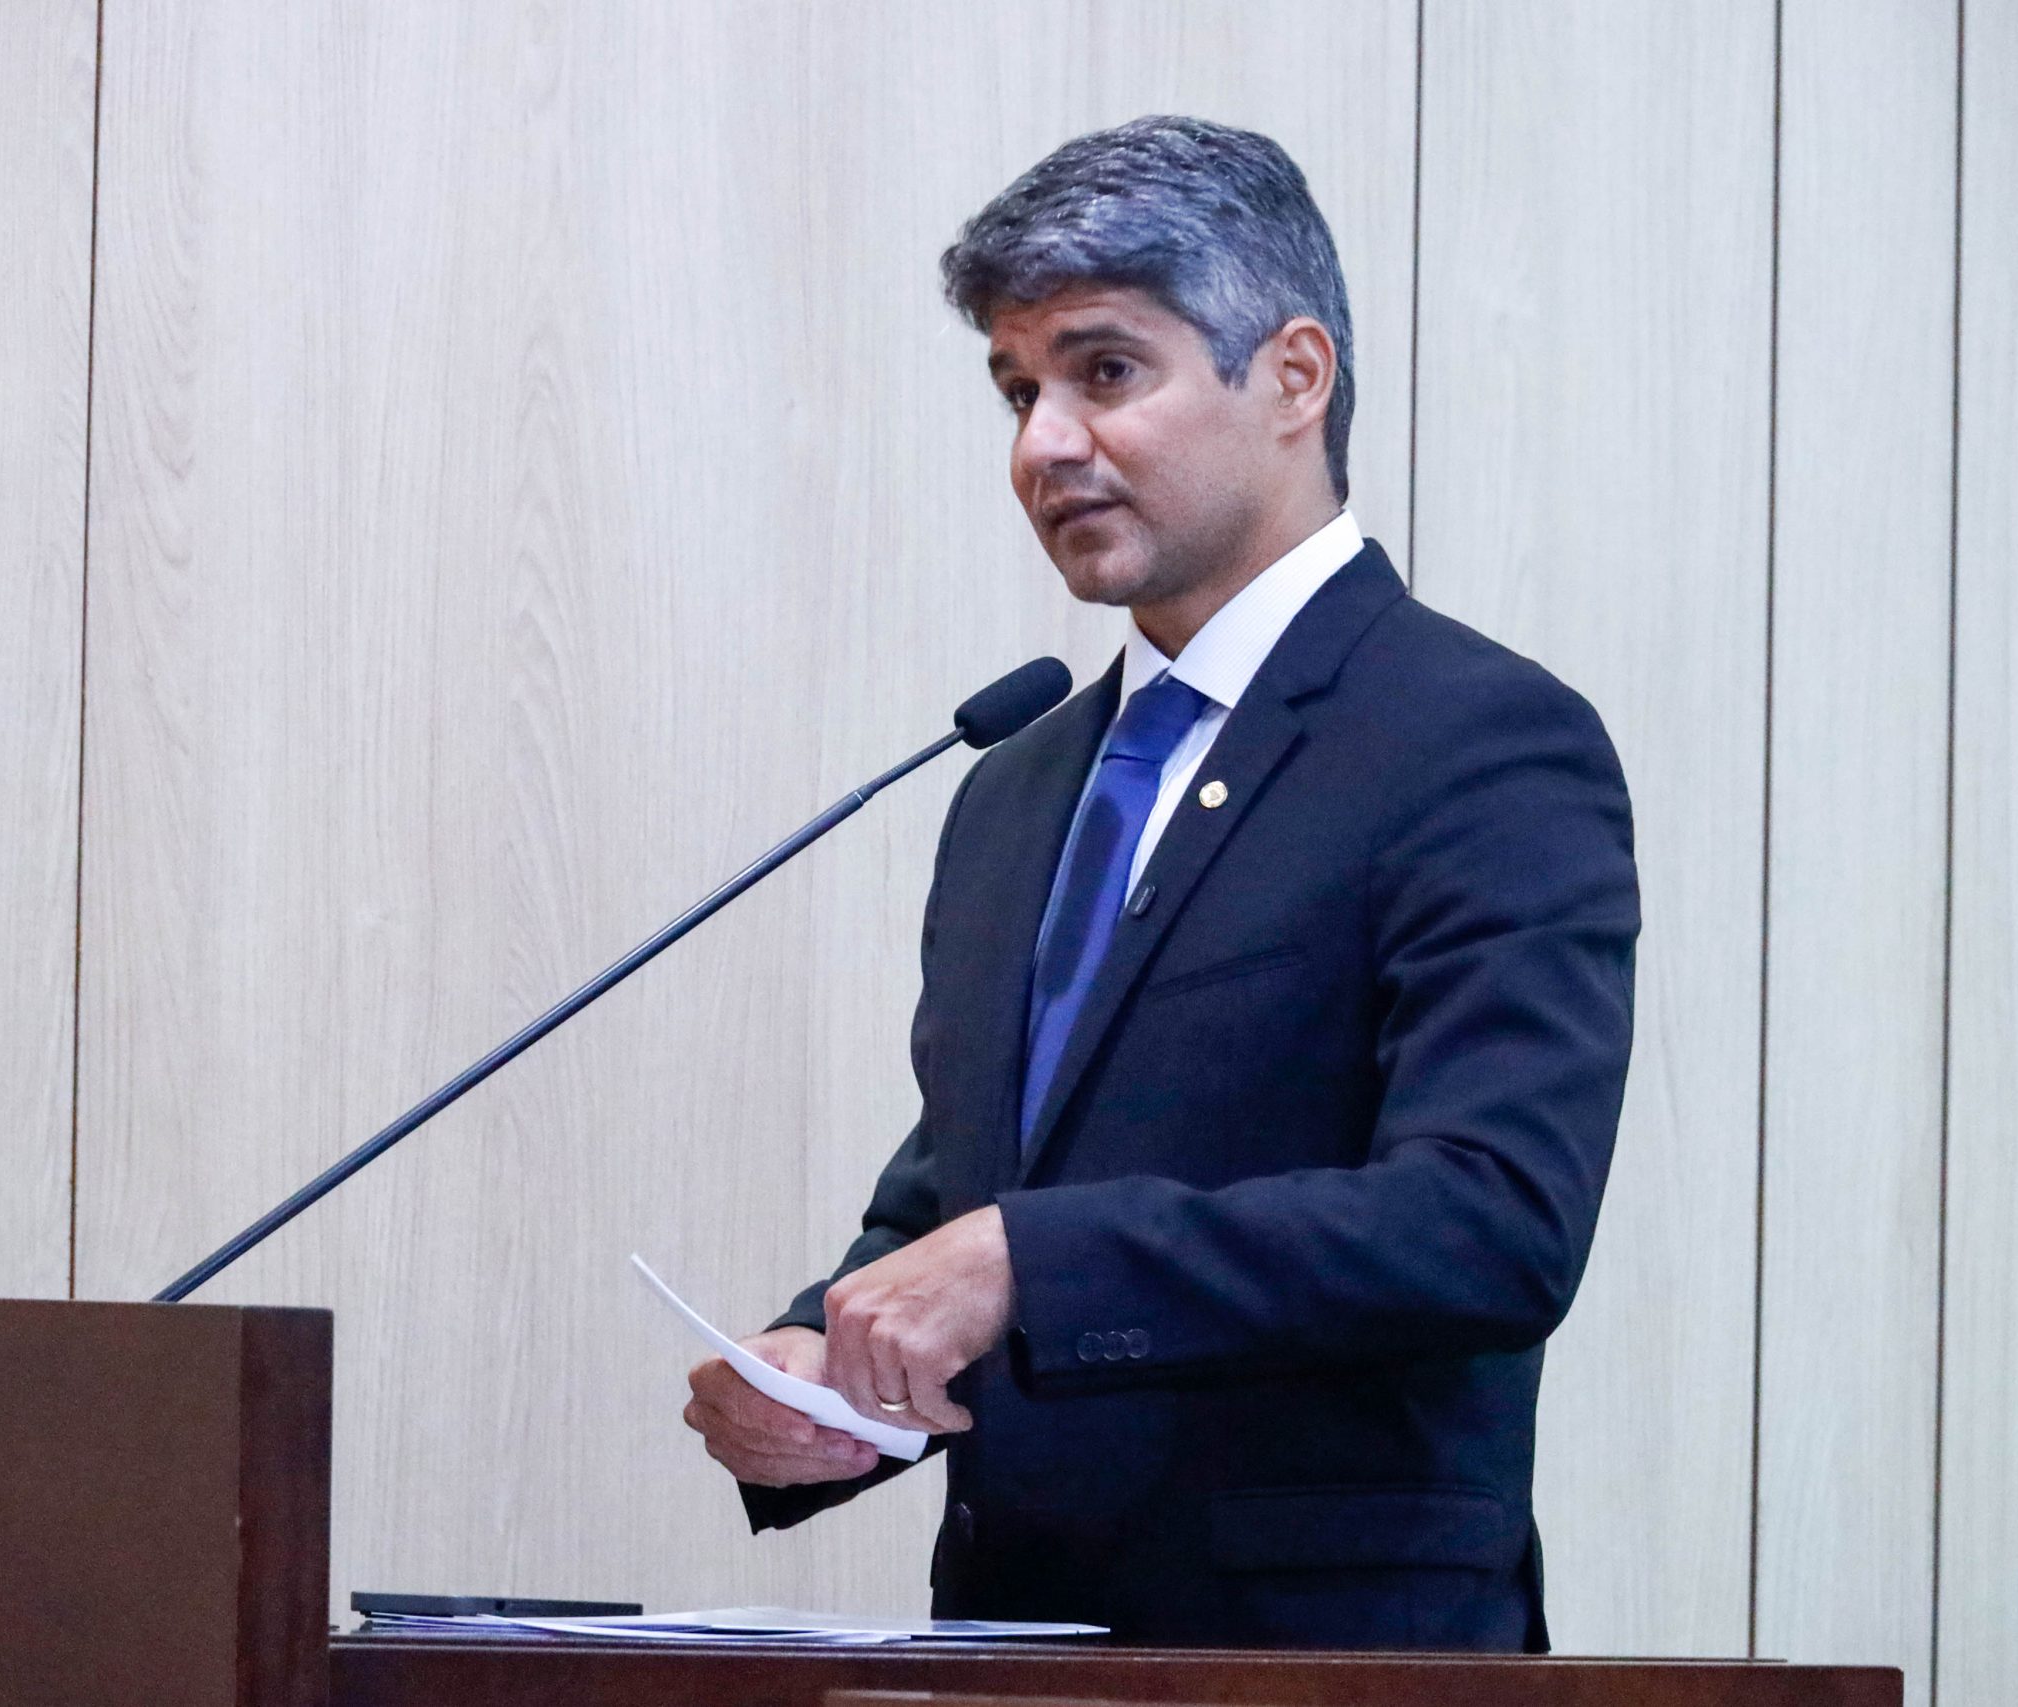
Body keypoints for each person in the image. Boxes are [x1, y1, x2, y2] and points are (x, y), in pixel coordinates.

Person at [680, 114, 1638, 1652]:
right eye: (1019, 392)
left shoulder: (1476, 740)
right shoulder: (1015, 787)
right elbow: (965, 1193)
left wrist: (1026, 1266)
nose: (1042, 446)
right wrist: (825, 1360)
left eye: (1106, 372)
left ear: (1294, 377)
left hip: (1328, 1667)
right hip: (1005, 1650)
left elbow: (1492, 1220)